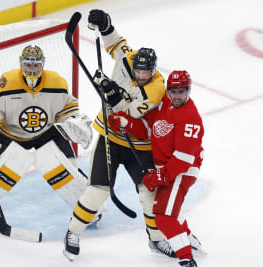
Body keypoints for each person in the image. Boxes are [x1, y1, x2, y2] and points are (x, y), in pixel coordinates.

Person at [63, 9, 176, 261]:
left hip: (139, 143)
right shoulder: (129, 60)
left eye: (145, 73)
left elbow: (132, 113)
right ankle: (72, 232)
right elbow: (117, 45)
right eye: (138, 71)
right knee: (97, 192)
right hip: (111, 140)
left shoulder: (156, 88)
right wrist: (106, 27)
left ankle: (156, 240)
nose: (140, 75)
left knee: (149, 193)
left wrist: (113, 95)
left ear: (154, 71)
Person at [0, 45, 97, 230]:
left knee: (68, 169)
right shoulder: (5, 85)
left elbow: (68, 114)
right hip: (10, 135)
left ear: (42, 65)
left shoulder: (57, 83)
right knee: (0, 171)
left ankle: (90, 207)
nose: (31, 69)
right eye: (28, 65)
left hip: (45, 133)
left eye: (36, 65)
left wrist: (74, 123)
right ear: (21, 64)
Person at [108, 70, 204, 267]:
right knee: (171, 211)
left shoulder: (190, 117)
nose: (177, 96)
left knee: (162, 216)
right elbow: (148, 130)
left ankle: (186, 259)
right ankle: (190, 242)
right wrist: (126, 123)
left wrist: (159, 176)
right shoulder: (164, 105)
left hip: (182, 171)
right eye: (173, 91)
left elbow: (183, 159)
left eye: (182, 92)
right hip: (169, 168)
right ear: (168, 90)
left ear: (189, 91)